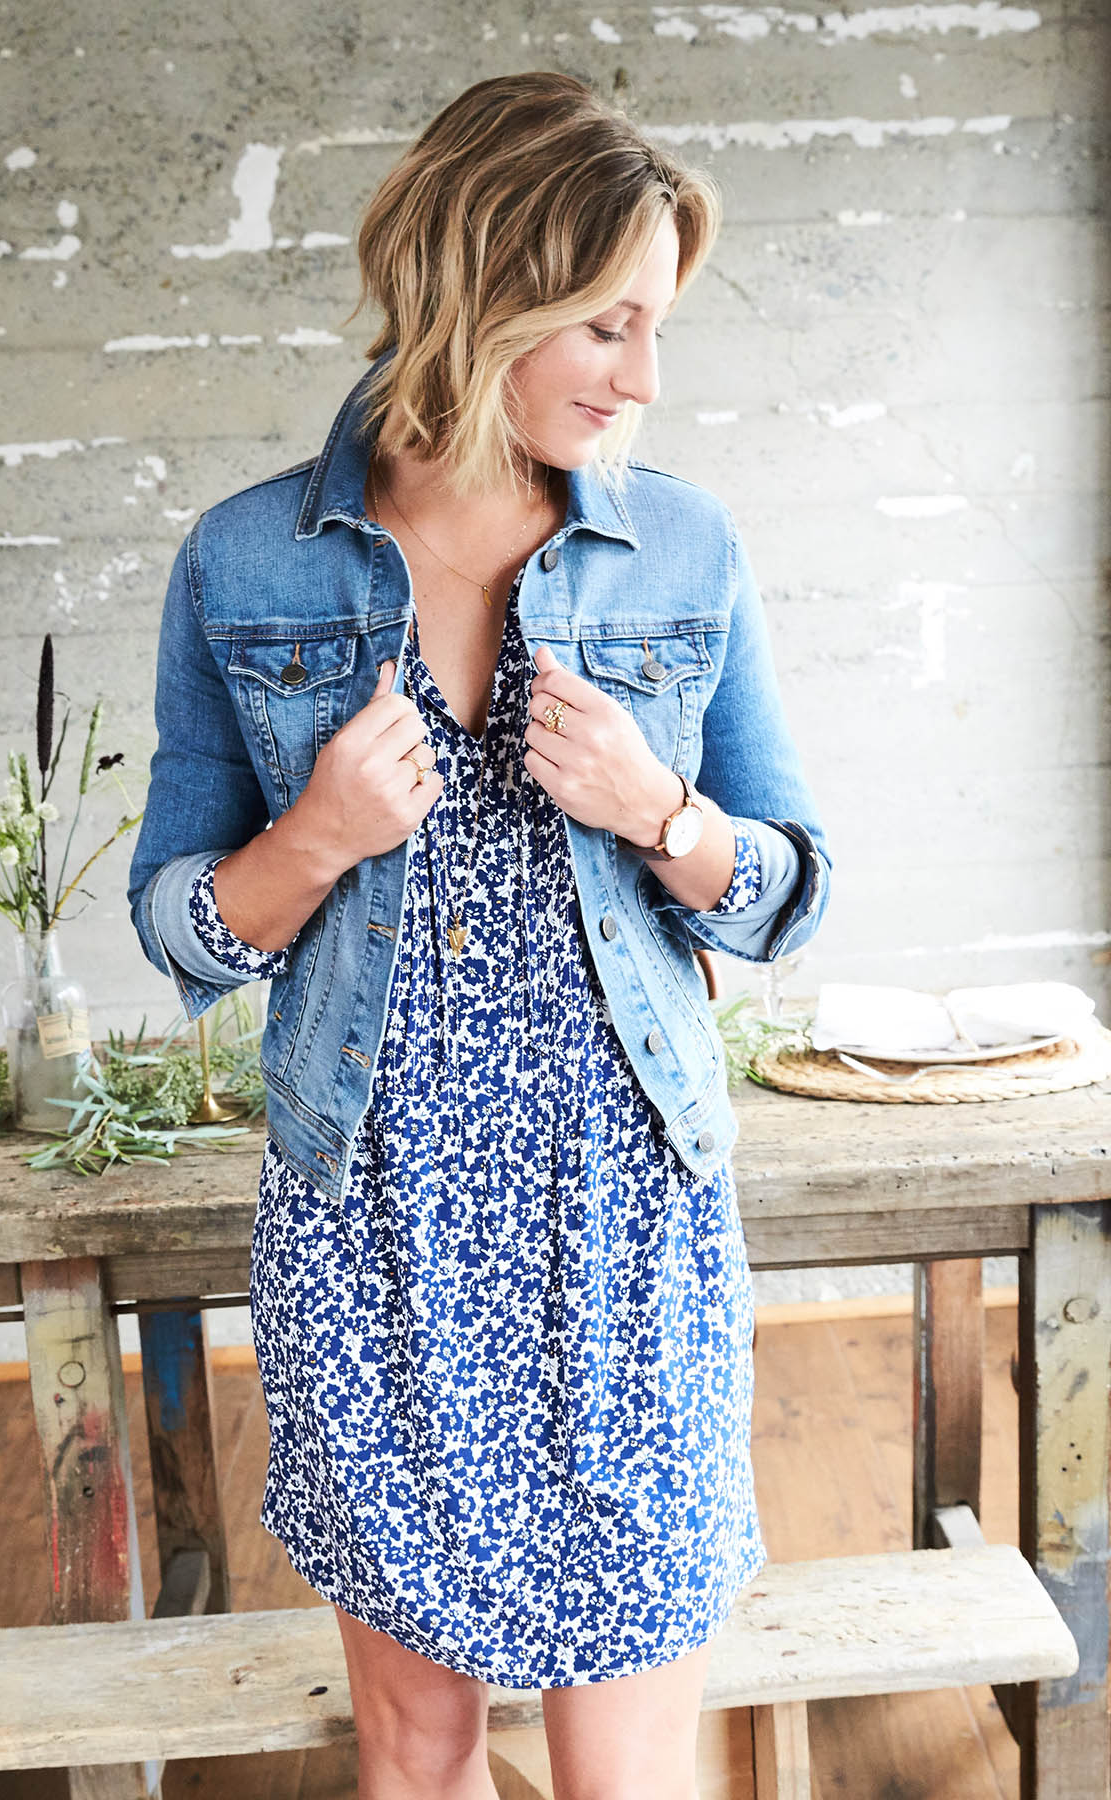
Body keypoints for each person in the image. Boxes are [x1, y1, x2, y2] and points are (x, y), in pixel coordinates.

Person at [128, 69, 831, 1800]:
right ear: (483, 282)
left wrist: (663, 812)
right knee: (419, 1754)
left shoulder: (685, 545)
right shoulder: (247, 564)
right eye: (610, 321)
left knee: (625, 1771)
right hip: (378, 1222)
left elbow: (797, 884)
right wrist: (314, 841)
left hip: (627, 1212)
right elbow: (181, 927)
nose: (645, 377)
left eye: (658, 326)